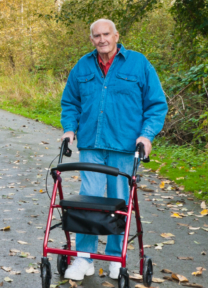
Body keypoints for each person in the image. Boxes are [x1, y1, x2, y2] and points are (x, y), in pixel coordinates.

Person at [59, 18, 168, 281]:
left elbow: (156, 104)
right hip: (92, 146)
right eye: (96, 36)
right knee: (90, 202)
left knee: (119, 205)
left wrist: (147, 135)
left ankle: (115, 259)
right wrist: (69, 128)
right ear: (91, 39)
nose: (102, 39)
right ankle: (83, 258)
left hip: (124, 147)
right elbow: (70, 102)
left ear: (116, 35)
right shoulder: (82, 66)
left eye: (106, 34)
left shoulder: (139, 63)